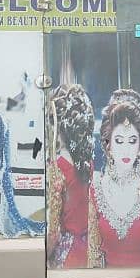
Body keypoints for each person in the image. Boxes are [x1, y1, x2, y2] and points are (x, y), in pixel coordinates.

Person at [88, 89, 140, 268]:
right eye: (119, 141)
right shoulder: (96, 189)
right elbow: (93, 255)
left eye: (132, 141)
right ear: (108, 145)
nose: (125, 149)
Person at [47, 83, 95, 268]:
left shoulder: (58, 168)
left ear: (58, 126)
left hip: (68, 255)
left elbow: (53, 232)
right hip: (91, 249)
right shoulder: (88, 163)